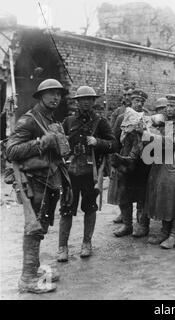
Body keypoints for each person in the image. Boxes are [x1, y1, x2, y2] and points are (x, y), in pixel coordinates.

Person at [6, 79, 72, 293]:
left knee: (40, 227)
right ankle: (27, 278)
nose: (56, 97)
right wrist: (42, 142)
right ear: (40, 96)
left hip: (49, 181)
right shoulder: (29, 120)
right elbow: (11, 151)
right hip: (34, 183)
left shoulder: (50, 118)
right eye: (51, 93)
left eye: (59, 94)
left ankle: (34, 271)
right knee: (33, 229)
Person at [58, 86, 116, 261]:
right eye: (82, 99)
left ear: (93, 101)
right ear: (76, 102)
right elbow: (59, 145)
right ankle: (62, 247)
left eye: (89, 99)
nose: (85, 102)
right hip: (70, 172)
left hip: (91, 173)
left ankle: (86, 243)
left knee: (90, 208)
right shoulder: (67, 122)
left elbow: (114, 144)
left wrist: (97, 141)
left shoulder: (100, 122)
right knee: (66, 209)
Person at [144, 95, 175, 249]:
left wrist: (148, 135)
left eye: (172, 106)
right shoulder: (166, 123)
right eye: (168, 105)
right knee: (164, 198)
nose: (168, 108)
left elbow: (169, 143)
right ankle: (165, 230)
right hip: (162, 167)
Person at [111, 89, 151, 238]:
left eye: (141, 101)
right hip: (125, 161)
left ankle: (142, 225)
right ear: (130, 101)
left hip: (143, 162)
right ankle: (127, 225)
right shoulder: (122, 117)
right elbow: (114, 139)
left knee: (142, 195)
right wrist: (114, 160)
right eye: (136, 101)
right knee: (124, 194)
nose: (139, 104)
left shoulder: (147, 118)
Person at [110, 88, 136, 223]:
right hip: (124, 156)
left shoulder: (147, 115)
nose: (127, 97)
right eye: (125, 95)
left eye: (130, 95)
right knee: (123, 190)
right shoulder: (120, 115)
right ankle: (125, 218)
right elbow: (114, 137)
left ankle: (142, 223)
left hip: (140, 158)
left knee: (140, 191)